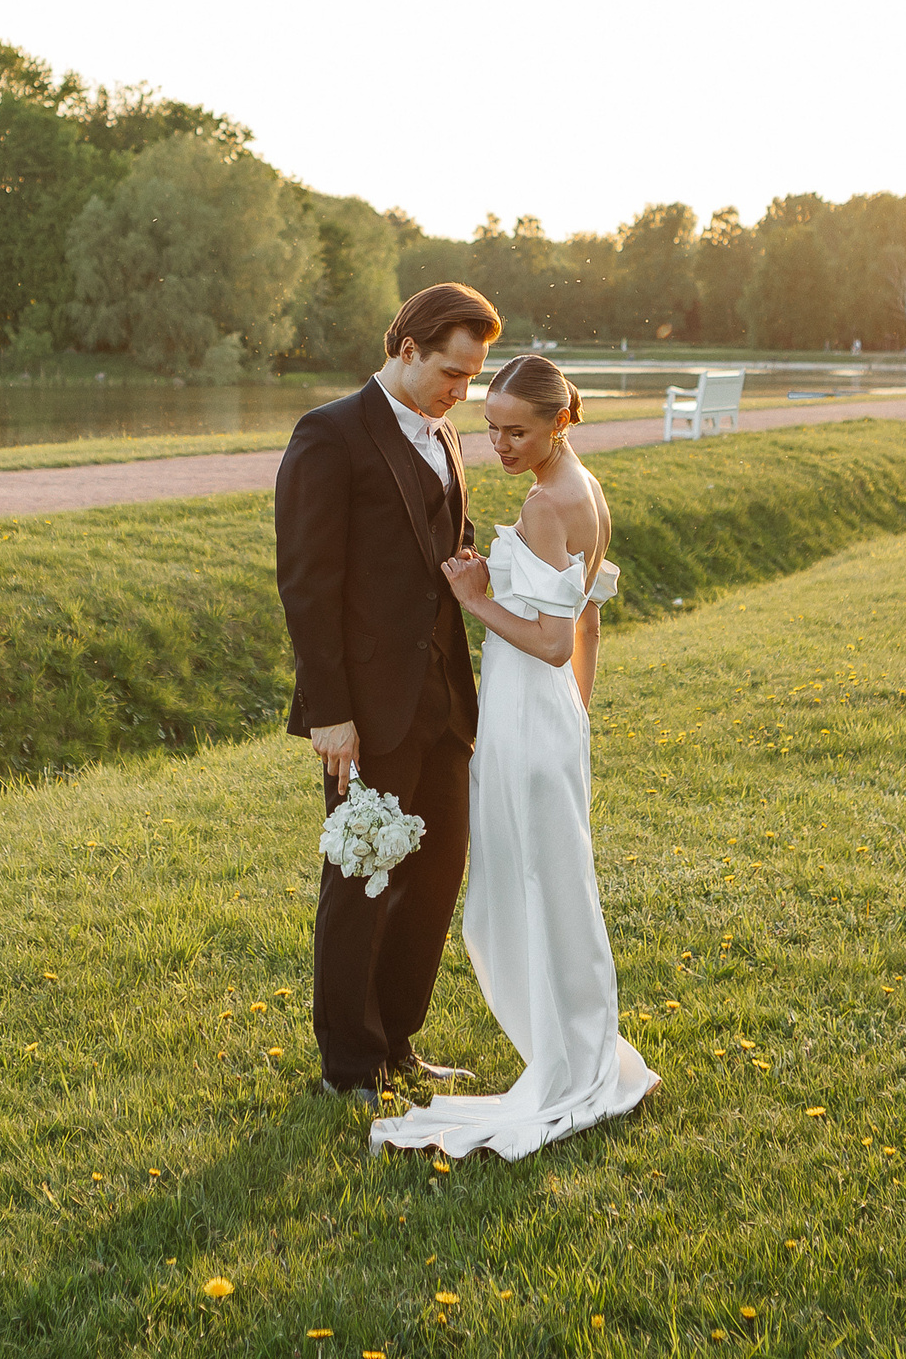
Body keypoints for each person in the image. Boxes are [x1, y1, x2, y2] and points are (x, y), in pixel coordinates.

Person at [369, 353, 659, 1160]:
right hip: (551, 718)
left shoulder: (543, 507)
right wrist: (577, 709)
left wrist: (474, 599)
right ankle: (580, 1046)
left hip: (527, 719)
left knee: (526, 883)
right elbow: (590, 621)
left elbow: (550, 637)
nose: (496, 442)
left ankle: (569, 1060)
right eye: (489, 427)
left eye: (515, 430)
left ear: (558, 421)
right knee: (557, 880)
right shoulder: (586, 488)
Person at [276, 282, 503, 1098]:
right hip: (365, 710)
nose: (462, 392)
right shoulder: (328, 435)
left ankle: (396, 1039)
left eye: (473, 377)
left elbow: (445, 540)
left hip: (444, 702)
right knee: (362, 878)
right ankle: (347, 1066)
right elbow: (306, 584)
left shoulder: (446, 435)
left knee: (436, 872)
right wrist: (330, 714)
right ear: (407, 349)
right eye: (452, 372)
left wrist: (476, 570)